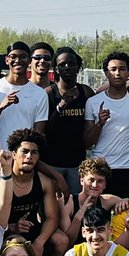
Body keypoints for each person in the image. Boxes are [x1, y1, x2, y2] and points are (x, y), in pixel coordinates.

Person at [0, 128, 62, 256]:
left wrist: (39, 242)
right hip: (4, 233)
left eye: (34, 152)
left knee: (61, 240)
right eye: (25, 151)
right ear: (14, 155)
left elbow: (52, 218)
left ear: (38, 157)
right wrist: (12, 227)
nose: (29, 156)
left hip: (33, 232)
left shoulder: (45, 182)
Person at [85, 51, 129, 196]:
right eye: (113, 69)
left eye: (122, 69)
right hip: (99, 168)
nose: (117, 73)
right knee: (96, 216)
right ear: (106, 73)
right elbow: (87, 143)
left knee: (125, 216)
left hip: (128, 168)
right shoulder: (93, 102)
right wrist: (100, 124)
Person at [0, 41, 49, 158]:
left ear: (29, 61)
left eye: (23, 57)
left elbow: (38, 135)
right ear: (6, 60)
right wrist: (0, 108)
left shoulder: (40, 94)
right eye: (13, 56)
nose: (18, 61)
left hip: (23, 162)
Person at [43, 47, 93, 178]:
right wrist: (61, 106)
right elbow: (45, 130)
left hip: (78, 162)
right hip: (52, 162)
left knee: (77, 198)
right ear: (56, 69)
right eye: (62, 65)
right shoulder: (48, 93)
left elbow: (106, 94)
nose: (67, 67)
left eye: (71, 64)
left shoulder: (86, 92)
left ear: (78, 67)